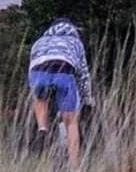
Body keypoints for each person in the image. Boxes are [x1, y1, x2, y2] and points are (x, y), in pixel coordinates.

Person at [27, 17, 93, 168]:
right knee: (71, 122)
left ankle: (42, 128)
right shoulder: (76, 43)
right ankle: (74, 165)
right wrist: (87, 99)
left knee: (40, 98)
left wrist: (35, 89)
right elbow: (83, 76)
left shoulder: (39, 43)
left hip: (38, 72)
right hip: (64, 72)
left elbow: (31, 68)